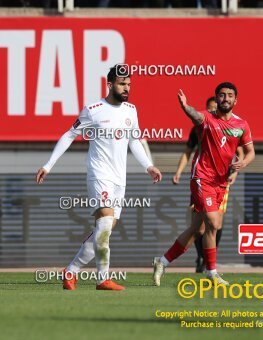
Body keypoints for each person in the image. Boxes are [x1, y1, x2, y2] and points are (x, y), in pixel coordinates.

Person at [36, 64, 162, 291]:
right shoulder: (93, 109)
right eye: (123, 84)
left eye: (129, 85)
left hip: (119, 180)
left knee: (103, 232)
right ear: (110, 84)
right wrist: (48, 165)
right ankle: (103, 279)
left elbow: (134, 140)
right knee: (104, 224)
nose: (127, 88)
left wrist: (148, 166)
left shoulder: (131, 110)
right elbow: (69, 135)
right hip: (99, 174)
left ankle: (71, 271)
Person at [153, 82, 255, 286]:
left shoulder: (241, 125)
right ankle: (212, 271)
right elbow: (195, 115)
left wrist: (243, 162)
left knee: (198, 229)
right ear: (216, 99)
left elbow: (250, 151)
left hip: (221, 182)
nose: (225, 98)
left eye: (229, 95)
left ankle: (162, 261)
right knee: (213, 222)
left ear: (236, 100)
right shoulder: (207, 119)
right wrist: (185, 107)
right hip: (202, 177)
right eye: (222, 95)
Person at [172, 96, 243, 273]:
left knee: (215, 223)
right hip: (202, 180)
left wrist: (235, 172)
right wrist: (179, 172)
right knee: (200, 225)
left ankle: (209, 260)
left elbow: (240, 152)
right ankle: (203, 258)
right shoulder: (199, 127)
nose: (212, 111)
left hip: (220, 181)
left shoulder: (232, 127)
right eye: (209, 108)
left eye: (214, 108)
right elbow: (187, 152)